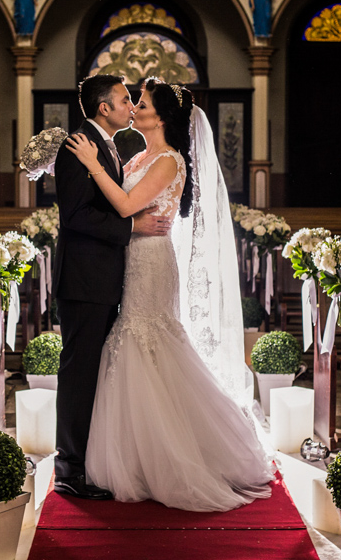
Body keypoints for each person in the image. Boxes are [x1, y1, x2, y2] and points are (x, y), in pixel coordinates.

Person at [65, 78, 274, 512]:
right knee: (132, 346)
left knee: (151, 341)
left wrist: (93, 164)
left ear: (159, 118)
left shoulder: (168, 160)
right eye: (131, 100)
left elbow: (125, 206)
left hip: (152, 261)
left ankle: (174, 454)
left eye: (140, 102)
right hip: (130, 258)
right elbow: (119, 210)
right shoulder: (139, 154)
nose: (134, 107)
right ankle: (136, 451)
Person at [51, 74, 171, 501]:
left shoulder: (107, 147)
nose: (131, 105)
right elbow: (76, 217)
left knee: (95, 372)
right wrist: (132, 225)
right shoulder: (78, 147)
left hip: (103, 278)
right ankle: (70, 469)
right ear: (104, 108)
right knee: (80, 372)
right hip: (83, 280)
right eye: (125, 99)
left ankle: (93, 460)